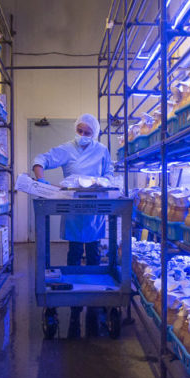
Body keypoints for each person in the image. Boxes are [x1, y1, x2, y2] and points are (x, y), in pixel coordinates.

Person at [32, 113, 116, 338]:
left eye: (88, 133)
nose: (83, 135)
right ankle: (74, 298)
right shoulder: (67, 149)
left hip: (95, 208)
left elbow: (109, 174)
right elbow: (41, 159)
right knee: (75, 251)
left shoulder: (102, 151)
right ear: (75, 129)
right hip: (73, 209)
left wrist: (100, 182)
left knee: (94, 252)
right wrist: (40, 179)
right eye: (80, 131)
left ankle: (96, 296)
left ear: (94, 134)